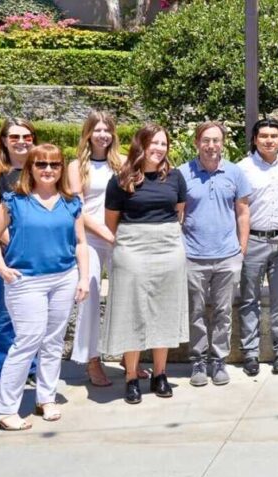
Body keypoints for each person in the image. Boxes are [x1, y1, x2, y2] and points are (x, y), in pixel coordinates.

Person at [0, 145, 88, 431]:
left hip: (64, 279)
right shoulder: (14, 201)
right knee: (28, 340)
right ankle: (2, 410)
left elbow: (81, 243)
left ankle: (46, 397)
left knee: (54, 340)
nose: (48, 169)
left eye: (54, 165)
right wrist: (2, 267)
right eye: (41, 164)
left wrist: (83, 277)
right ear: (30, 167)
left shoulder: (71, 203)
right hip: (26, 281)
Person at [101, 123, 188, 404]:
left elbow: (179, 214)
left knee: (164, 310)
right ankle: (131, 377)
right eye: (154, 143)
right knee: (132, 311)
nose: (160, 149)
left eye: (164, 144)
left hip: (168, 249)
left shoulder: (175, 178)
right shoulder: (120, 180)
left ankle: (160, 374)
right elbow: (111, 222)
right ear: (141, 145)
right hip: (132, 250)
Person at [182, 122, 251, 387]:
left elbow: (243, 212)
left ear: (223, 143)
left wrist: (241, 248)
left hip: (227, 255)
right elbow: (178, 214)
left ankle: (219, 359)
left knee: (223, 311)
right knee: (196, 311)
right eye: (206, 140)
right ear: (197, 142)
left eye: (216, 140)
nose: (211, 146)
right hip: (193, 255)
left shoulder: (235, 173)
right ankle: (198, 360)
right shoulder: (182, 173)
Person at [236, 118, 278, 377]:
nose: (269, 140)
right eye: (263, 135)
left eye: (274, 135)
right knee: (249, 299)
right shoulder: (242, 168)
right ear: (254, 139)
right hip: (252, 240)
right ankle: (250, 353)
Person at [67, 111, 124, 388]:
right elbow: (77, 209)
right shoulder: (76, 166)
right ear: (88, 133)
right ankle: (92, 360)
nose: (103, 134)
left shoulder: (122, 163)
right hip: (89, 238)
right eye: (97, 129)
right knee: (89, 298)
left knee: (125, 297)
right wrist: (104, 232)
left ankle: (128, 355)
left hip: (120, 237)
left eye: (107, 130)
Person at [0, 118, 38, 388]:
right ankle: (1, 372)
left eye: (27, 136)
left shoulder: (40, 169)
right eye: (15, 136)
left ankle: (30, 369)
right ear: (4, 140)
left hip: (37, 254)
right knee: (8, 313)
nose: (21, 142)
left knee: (34, 312)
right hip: (4, 253)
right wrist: (15, 247)